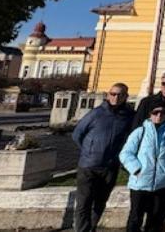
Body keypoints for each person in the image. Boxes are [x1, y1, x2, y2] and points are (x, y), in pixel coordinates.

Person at [72, 83, 134, 232]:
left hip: (110, 166)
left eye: (120, 95)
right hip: (88, 165)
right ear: (107, 95)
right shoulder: (96, 113)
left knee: (100, 202)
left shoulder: (129, 116)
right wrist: (88, 151)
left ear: (126, 97)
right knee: (83, 203)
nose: (116, 97)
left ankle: (91, 228)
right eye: (113, 94)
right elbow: (77, 134)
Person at [119, 99, 165, 232]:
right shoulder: (140, 131)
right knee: (136, 217)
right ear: (150, 114)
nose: (159, 116)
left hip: (161, 182)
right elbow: (126, 153)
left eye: (162, 113)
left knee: (156, 218)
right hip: (140, 182)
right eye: (155, 112)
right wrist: (137, 170)